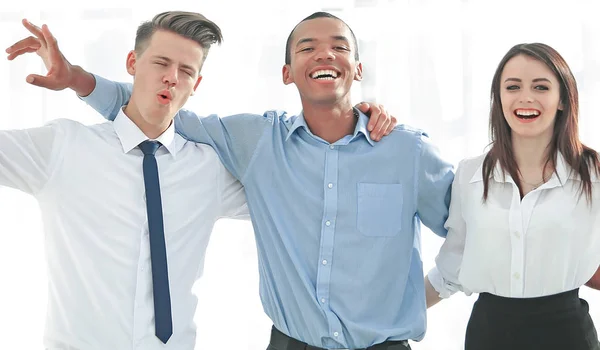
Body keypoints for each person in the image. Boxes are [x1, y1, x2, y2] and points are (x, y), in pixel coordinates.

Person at [8, 12, 454, 349]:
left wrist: (423, 298)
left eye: (340, 46)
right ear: (286, 73)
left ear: (358, 68)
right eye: (307, 48)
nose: (325, 54)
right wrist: (77, 80)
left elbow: (472, 227)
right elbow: (155, 108)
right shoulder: (256, 144)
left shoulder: (404, 150)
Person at [1, 11, 253, 349]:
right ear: (132, 62)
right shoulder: (63, 147)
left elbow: (295, 206)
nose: (172, 78)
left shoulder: (211, 170)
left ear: (196, 85)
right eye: (161, 63)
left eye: (186, 71)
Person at [425, 43, 600, 350]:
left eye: (541, 87)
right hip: (489, 335)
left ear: (562, 99)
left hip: (568, 335)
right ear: (499, 98)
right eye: (513, 87)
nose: (525, 97)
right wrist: (381, 319)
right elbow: (452, 268)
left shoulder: (594, 174)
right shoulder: (470, 175)